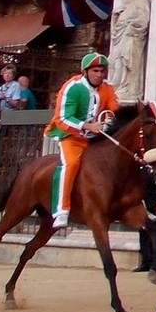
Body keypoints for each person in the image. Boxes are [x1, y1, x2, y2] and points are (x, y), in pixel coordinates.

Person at [44, 53, 118, 228]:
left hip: (96, 138)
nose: (100, 74)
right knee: (71, 164)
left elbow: (114, 108)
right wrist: (87, 126)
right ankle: (62, 210)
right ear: (85, 71)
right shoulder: (72, 87)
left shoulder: (108, 88)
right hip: (71, 136)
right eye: (95, 70)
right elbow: (62, 118)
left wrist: (108, 120)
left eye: (102, 71)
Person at [109, 0, 150, 102]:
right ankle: (117, 91)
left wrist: (130, 24)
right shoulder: (124, 2)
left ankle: (128, 92)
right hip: (121, 39)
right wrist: (115, 17)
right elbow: (114, 32)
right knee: (113, 63)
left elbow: (144, 21)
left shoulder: (141, 0)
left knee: (126, 65)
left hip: (132, 40)